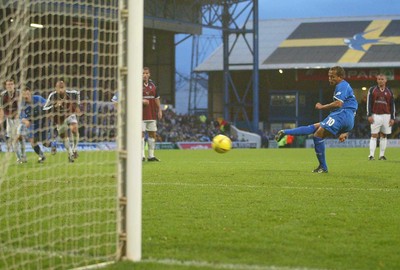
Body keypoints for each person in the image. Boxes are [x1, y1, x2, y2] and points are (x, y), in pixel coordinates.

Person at [275, 66, 358, 173]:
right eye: (329, 76)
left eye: (332, 77)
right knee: (314, 127)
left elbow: (338, 103)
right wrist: (346, 130)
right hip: (347, 118)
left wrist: (321, 107)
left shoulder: (342, 85)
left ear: (340, 77)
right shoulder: (346, 87)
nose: (330, 79)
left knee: (317, 135)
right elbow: (352, 107)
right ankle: (285, 132)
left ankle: (323, 167)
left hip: (342, 115)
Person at [43, 80, 81, 163]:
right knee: (64, 136)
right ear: (56, 89)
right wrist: (54, 105)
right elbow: (44, 108)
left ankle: (75, 149)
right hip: (59, 118)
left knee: (74, 129)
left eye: (62, 88)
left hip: (69, 114)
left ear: (65, 88)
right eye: (59, 88)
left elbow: (77, 93)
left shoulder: (71, 94)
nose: (61, 90)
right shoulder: (52, 96)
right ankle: (70, 154)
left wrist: (78, 105)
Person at [366, 74, 395, 161]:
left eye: (382, 79)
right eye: (379, 79)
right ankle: (371, 155)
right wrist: (369, 115)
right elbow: (368, 103)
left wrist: (392, 118)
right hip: (375, 115)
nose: (380, 81)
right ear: (377, 80)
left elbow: (392, 105)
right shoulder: (372, 90)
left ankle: (382, 155)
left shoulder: (389, 91)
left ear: (385, 80)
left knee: (384, 135)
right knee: (374, 135)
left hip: (387, 115)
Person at [18, 85, 48, 163]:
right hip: (32, 123)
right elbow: (20, 116)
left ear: (30, 93)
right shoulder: (22, 104)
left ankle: (54, 144)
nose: (26, 96)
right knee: (32, 141)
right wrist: (25, 121)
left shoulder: (38, 98)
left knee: (46, 143)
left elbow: (48, 105)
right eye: (24, 94)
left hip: (43, 121)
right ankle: (42, 156)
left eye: (27, 94)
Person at [0, 78, 25, 163]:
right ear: (6, 86)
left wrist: (18, 115)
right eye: (8, 84)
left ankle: (23, 155)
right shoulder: (3, 95)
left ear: (14, 85)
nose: (10, 86)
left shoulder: (19, 94)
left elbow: (21, 107)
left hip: (19, 119)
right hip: (9, 120)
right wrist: (1, 119)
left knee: (19, 137)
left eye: (11, 84)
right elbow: (2, 109)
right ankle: (19, 158)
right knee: (13, 138)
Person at [142, 67, 162, 161]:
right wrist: (141, 101)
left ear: (149, 74)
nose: (145, 75)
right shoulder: (136, 84)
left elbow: (156, 98)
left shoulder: (153, 85)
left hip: (151, 114)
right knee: (140, 135)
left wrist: (159, 109)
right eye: (143, 73)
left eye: (146, 73)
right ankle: (141, 156)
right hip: (140, 115)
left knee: (152, 134)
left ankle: (151, 156)